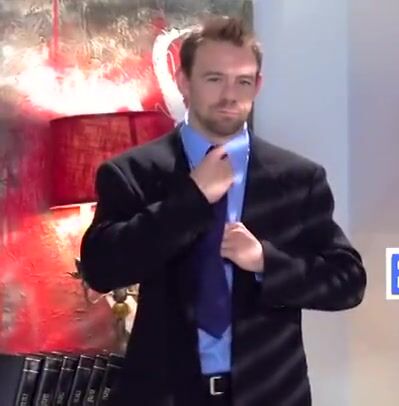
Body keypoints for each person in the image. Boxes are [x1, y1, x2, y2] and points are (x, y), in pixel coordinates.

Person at [79, 15, 366, 406]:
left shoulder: (298, 179)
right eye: (214, 79)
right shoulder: (133, 173)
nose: (229, 95)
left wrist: (265, 260)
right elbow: (100, 270)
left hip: (270, 396)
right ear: (184, 82)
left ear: (257, 86)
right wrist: (192, 199)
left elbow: (348, 282)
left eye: (242, 81)